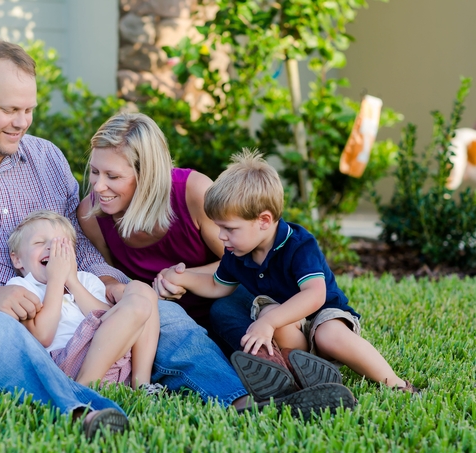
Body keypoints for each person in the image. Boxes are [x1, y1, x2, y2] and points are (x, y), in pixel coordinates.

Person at [0, 39, 355, 437]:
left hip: (64, 299)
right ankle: (80, 409)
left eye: (29, 109)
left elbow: (77, 245)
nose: (22, 121)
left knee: (158, 310)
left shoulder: (44, 158)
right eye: (9, 109)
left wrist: (110, 282)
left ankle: (242, 400)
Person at [159, 149, 419, 395]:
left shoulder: (297, 244)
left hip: (323, 315)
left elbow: (314, 296)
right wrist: (183, 278)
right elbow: (218, 287)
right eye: (219, 227)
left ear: (263, 220)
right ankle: (303, 372)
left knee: (322, 333)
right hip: (293, 333)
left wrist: (267, 322)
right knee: (270, 311)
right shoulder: (236, 253)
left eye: (229, 229)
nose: (221, 236)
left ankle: (396, 384)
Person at [77, 112, 231, 330]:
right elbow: (112, 282)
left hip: (224, 305)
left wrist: (184, 278)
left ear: (147, 174)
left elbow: (242, 262)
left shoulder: (194, 193)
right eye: (94, 172)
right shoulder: (91, 215)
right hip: (161, 325)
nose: (98, 186)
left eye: (112, 176)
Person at [6, 210, 161, 391]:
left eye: (61, 243)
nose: (52, 248)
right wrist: (56, 279)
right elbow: (43, 336)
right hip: (67, 363)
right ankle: (82, 389)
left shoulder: (86, 280)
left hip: (112, 357)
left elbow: (110, 319)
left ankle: (142, 384)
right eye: (39, 242)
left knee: (142, 291)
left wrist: (71, 281)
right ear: (17, 259)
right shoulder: (22, 286)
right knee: (138, 305)